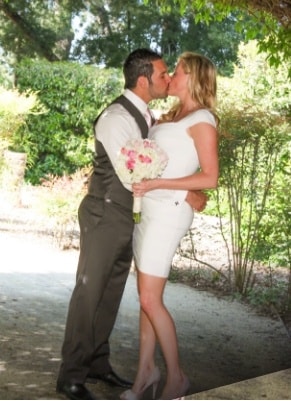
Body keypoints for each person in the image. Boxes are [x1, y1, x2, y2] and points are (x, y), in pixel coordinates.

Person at [56, 48, 207, 400]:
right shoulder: (115, 117)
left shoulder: (148, 115)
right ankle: (71, 375)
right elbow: (133, 170)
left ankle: (97, 362)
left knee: (110, 294)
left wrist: (187, 188)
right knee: (89, 291)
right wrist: (185, 191)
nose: (168, 78)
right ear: (144, 80)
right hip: (106, 213)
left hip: (130, 217)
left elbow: (159, 163)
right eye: (163, 73)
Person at [120, 52, 219, 400]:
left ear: (193, 78)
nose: (171, 77)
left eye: (176, 71)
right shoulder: (171, 116)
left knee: (149, 298)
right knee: (147, 298)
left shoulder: (203, 119)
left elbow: (210, 176)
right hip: (149, 209)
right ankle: (145, 374)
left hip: (168, 213)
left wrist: (166, 186)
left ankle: (175, 377)